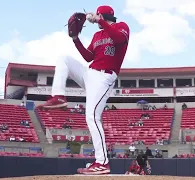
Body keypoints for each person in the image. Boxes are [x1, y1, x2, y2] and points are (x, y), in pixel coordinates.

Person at [37, 5, 130, 175]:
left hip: (104, 76)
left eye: (98, 15)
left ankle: (102, 162)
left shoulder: (121, 26)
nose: (95, 19)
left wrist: (101, 20)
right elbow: (88, 56)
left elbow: (119, 40)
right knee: (64, 59)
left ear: (102, 14)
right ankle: (58, 96)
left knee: (92, 117)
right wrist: (75, 39)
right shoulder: (97, 34)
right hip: (90, 72)